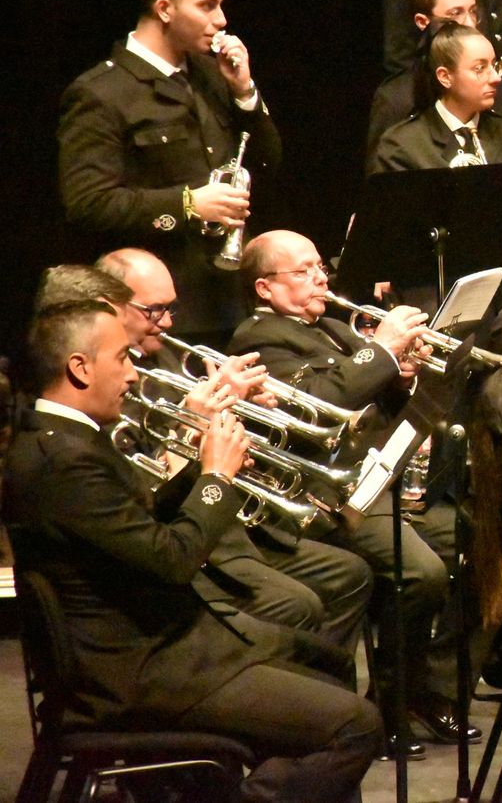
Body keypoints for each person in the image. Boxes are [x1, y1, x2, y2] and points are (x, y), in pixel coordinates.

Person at [4, 299, 380, 801]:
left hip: (159, 645)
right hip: (141, 671)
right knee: (356, 725)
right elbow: (174, 559)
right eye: (122, 358)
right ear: (79, 367)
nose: (134, 375)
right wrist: (216, 478)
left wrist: (195, 462)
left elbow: (134, 528)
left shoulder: (66, 441)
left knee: (326, 661)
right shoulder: (63, 459)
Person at [227, 231, 462, 753]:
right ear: (265, 288)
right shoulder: (259, 339)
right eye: (304, 271)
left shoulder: (334, 326)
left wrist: (402, 373)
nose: (321, 278)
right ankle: (384, 707)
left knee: (471, 546)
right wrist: (381, 351)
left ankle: (422, 688)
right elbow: (315, 402)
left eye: (320, 267)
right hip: (330, 494)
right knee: (421, 573)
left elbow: (371, 392)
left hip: (382, 476)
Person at [96, 247, 372, 656]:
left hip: (230, 525)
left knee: (351, 574)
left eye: (170, 308)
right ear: (109, 307)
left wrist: (246, 412)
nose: (168, 322)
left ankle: (328, 692)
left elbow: (226, 443)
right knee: (300, 605)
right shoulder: (105, 383)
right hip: (185, 538)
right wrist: (192, 425)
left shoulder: (168, 355)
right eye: (154, 311)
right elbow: (141, 491)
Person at [58, 0, 282, 341]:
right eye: (207, 6)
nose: (222, 20)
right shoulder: (102, 92)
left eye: (220, 5)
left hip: (231, 297)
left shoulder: (212, 75)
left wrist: (245, 93)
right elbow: (88, 203)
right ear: (164, 8)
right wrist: (188, 203)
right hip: (162, 309)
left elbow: (268, 164)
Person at [368, 20, 502, 175]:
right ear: (445, 77)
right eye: (479, 68)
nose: (496, 78)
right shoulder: (402, 145)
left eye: (494, 65)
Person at [368, 0, 502, 160]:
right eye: (455, 14)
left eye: (473, 12)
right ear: (423, 22)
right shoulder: (395, 98)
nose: (470, 23)